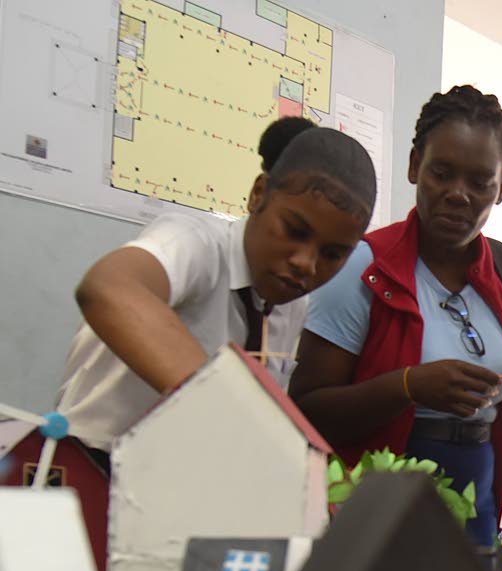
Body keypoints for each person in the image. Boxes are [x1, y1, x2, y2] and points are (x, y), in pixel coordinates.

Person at [289, 85, 502, 547]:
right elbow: (306, 411)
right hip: (378, 501)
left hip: (477, 489)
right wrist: (409, 386)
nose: (459, 194)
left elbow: (489, 403)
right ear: (415, 166)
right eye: (442, 173)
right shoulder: (362, 267)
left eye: (480, 182)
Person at [57, 125, 375, 463]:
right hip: (88, 467)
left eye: (333, 254)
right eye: (294, 231)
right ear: (258, 194)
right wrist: (229, 405)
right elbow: (109, 287)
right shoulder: (194, 242)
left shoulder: (292, 302)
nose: (305, 263)